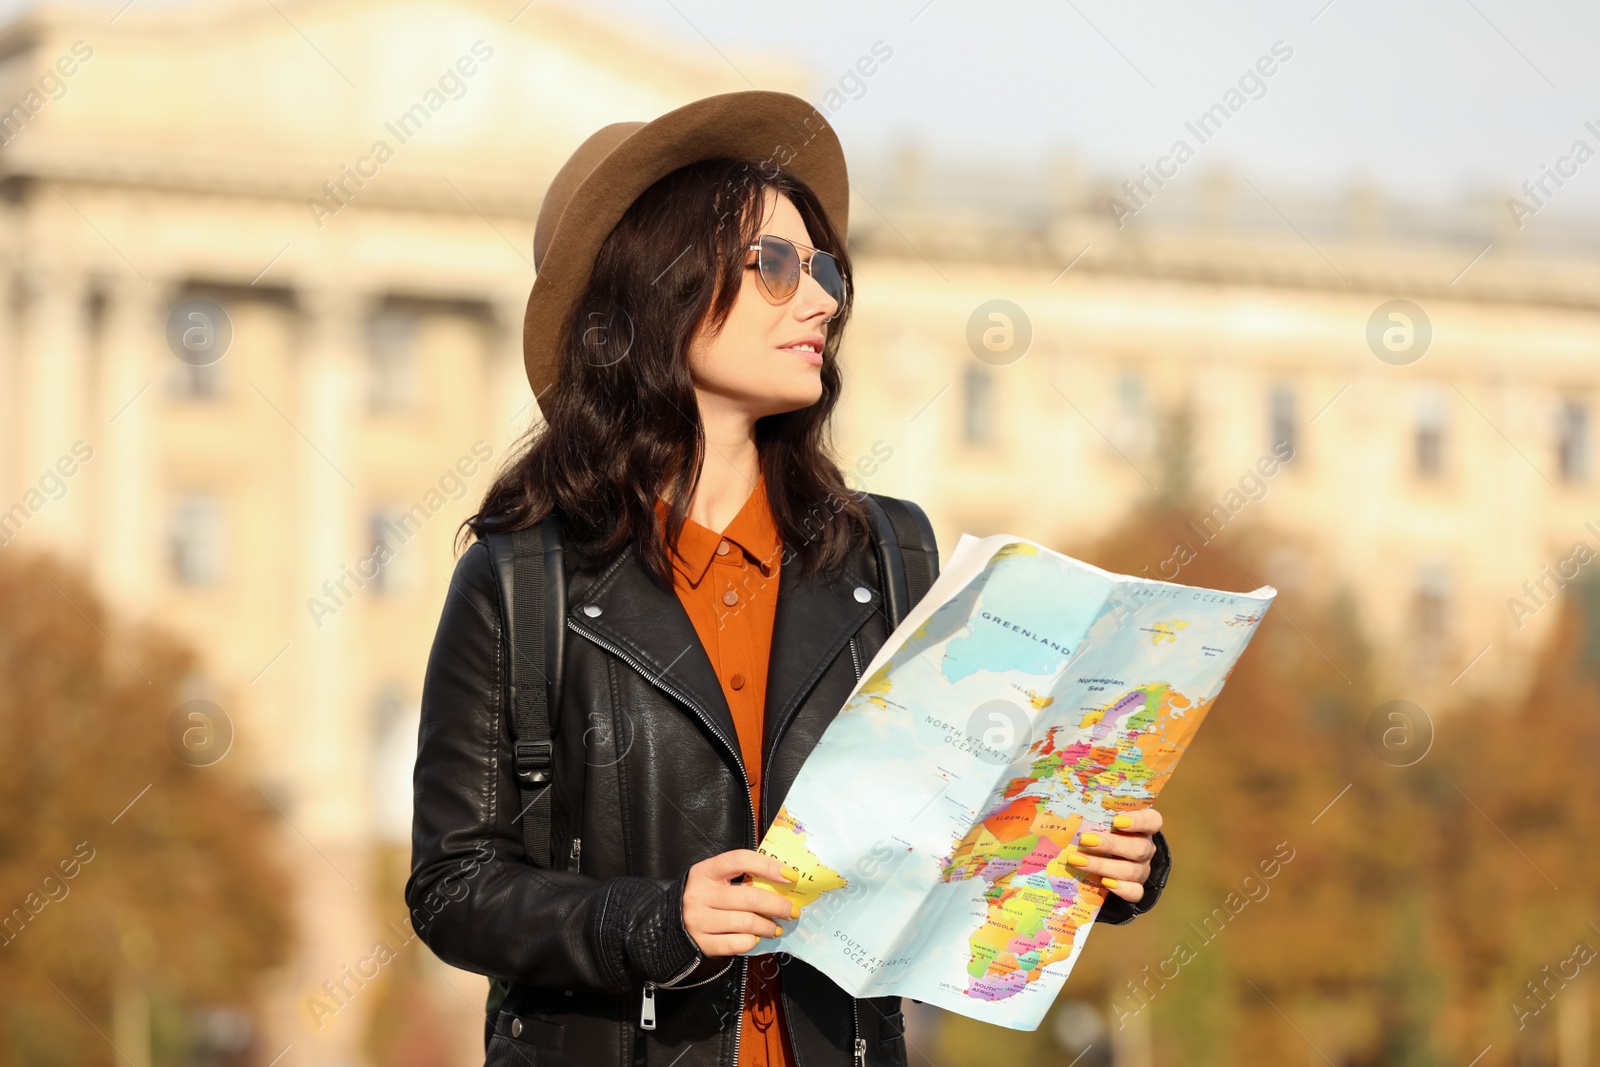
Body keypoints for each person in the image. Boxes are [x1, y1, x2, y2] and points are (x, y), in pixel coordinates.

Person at [405, 90, 1171, 1067]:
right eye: (773, 265)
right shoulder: (520, 578)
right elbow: (454, 885)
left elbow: (956, 833)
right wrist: (651, 919)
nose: (821, 299)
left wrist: (1097, 856)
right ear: (658, 286)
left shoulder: (888, 555)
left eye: (825, 269)